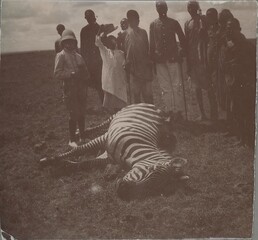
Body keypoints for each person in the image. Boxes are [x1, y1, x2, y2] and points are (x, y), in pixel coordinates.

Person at [150, 0, 186, 116]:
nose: (161, 9)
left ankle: (179, 111)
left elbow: (182, 39)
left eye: (163, 7)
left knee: (177, 86)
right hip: (160, 61)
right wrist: (153, 60)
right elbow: (152, 44)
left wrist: (181, 52)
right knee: (165, 87)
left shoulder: (174, 22)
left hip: (173, 59)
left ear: (167, 8)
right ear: (156, 9)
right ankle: (169, 111)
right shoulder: (153, 24)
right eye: (158, 7)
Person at [54, 30, 90, 148]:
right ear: (63, 43)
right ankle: (72, 139)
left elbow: (85, 71)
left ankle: (82, 136)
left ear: (75, 43)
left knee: (82, 111)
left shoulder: (78, 56)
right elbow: (57, 73)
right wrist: (71, 74)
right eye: (67, 42)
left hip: (81, 88)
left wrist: (84, 74)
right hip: (70, 89)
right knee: (73, 113)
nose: (69, 45)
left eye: (72, 42)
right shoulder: (61, 56)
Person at [223, 18, 256, 146]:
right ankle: (242, 137)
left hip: (244, 85)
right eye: (227, 28)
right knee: (236, 110)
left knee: (244, 112)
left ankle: (245, 138)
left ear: (239, 29)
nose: (228, 30)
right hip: (233, 83)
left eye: (231, 28)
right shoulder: (230, 44)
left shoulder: (245, 45)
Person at [185, 0, 217, 121]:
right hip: (193, 60)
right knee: (196, 88)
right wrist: (188, 62)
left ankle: (214, 114)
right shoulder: (187, 23)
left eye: (193, 7)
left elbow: (210, 34)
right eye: (189, 7)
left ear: (197, 8)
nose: (191, 9)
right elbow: (187, 43)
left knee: (209, 87)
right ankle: (202, 113)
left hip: (204, 58)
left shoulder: (204, 19)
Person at [95, 26, 127, 113]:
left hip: (119, 82)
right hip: (109, 83)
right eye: (110, 42)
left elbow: (125, 65)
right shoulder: (105, 52)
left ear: (116, 42)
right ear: (107, 44)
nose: (112, 43)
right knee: (111, 108)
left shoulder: (121, 53)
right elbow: (98, 42)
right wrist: (100, 32)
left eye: (114, 41)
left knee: (121, 107)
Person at [124, 10, 153, 104]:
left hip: (144, 68)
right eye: (130, 20)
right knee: (136, 96)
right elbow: (127, 52)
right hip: (133, 70)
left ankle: (150, 116)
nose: (133, 22)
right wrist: (127, 65)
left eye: (135, 19)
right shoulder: (127, 34)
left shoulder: (143, 32)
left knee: (148, 95)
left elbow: (146, 49)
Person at [80, 9, 104, 104]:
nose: (89, 19)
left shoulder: (100, 28)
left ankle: (106, 103)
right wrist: (84, 62)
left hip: (101, 60)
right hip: (90, 62)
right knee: (97, 84)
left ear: (94, 17)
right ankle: (104, 103)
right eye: (88, 18)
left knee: (103, 82)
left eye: (91, 17)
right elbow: (83, 48)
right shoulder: (84, 30)